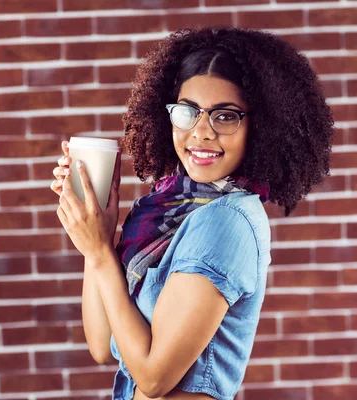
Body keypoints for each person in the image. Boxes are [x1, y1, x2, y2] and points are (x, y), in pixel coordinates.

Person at [50, 26, 333, 400]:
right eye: (188, 112)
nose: (201, 132)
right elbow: (103, 345)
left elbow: (153, 379)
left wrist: (103, 255)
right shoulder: (164, 211)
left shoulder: (224, 220)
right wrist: (96, 236)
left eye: (225, 116)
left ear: (262, 126)